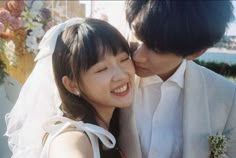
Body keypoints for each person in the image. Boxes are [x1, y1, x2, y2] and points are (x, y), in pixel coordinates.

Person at [119, 1, 236, 158]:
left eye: (157, 49)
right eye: (136, 35)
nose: (138, 55)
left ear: (195, 53)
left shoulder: (227, 98)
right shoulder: (102, 79)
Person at [5, 17, 135, 158]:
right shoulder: (71, 137)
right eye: (102, 69)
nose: (121, 75)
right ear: (72, 85)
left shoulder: (115, 125)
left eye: (123, 59)